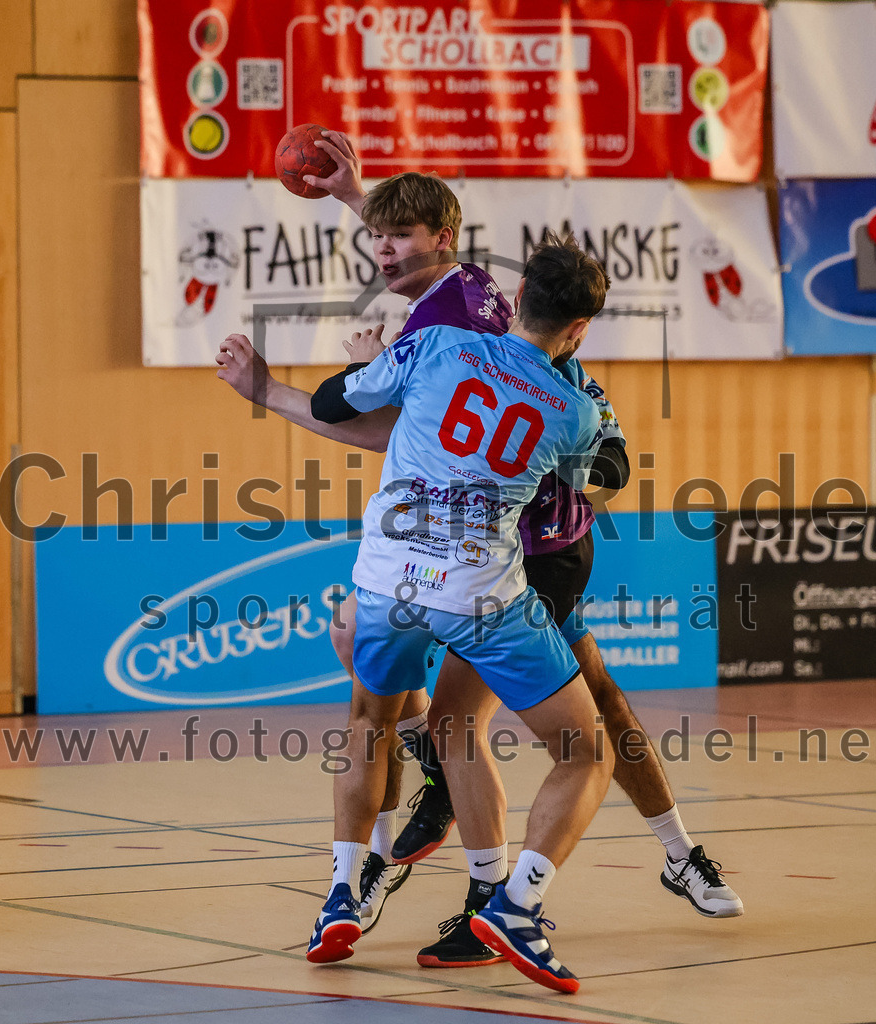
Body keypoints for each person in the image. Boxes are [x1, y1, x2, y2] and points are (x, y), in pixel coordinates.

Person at [216, 150, 743, 965]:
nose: (381, 251)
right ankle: (480, 881)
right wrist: (357, 194)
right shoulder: (470, 304)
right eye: (376, 237)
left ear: (447, 242)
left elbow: (382, 425)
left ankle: (597, 870)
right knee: (428, 687)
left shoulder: (446, 336)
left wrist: (284, 389)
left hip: (532, 548)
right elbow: (428, 268)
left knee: (547, 707)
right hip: (476, 549)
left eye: (398, 238)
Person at [303, 234, 622, 993]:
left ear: (513, 303)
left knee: (368, 724)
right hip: (479, 592)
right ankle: (515, 904)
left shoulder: (437, 345)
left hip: (388, 583)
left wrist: (362, 361)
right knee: (584, 751)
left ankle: (343, 894)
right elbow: (599, 477)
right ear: (577, 330)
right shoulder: (573, 411)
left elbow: (329, 403)